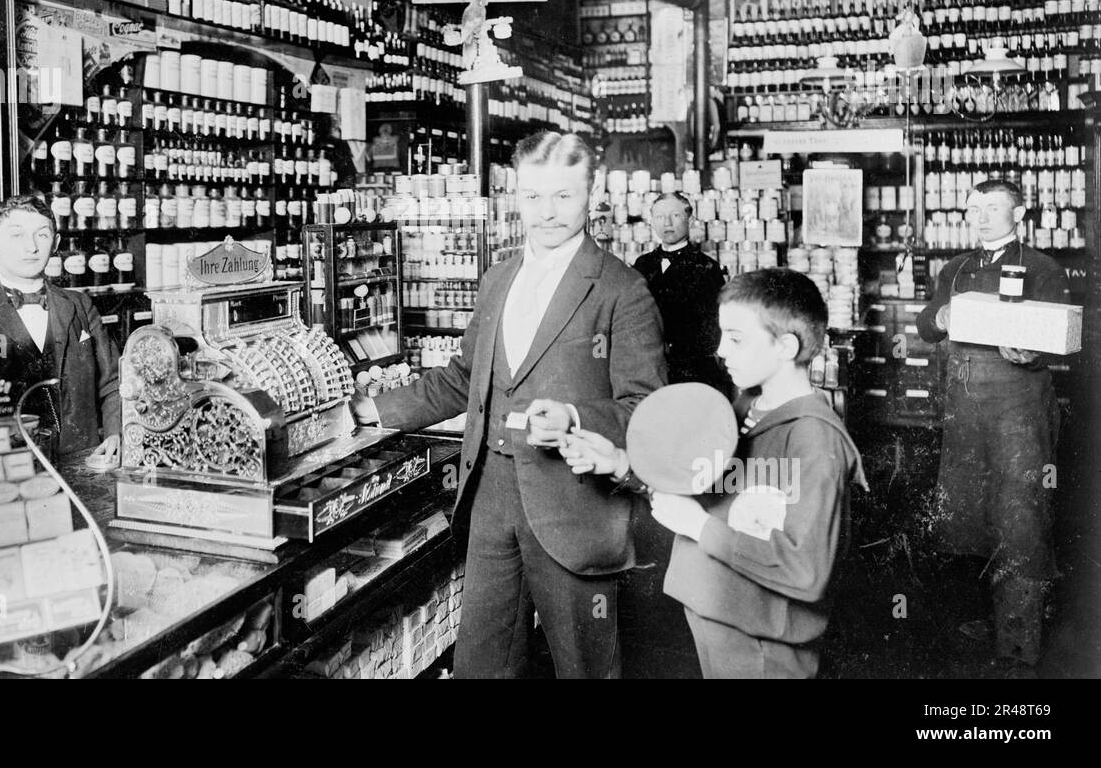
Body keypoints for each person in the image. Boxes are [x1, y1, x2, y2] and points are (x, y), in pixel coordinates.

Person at [352, 132, 667, 678]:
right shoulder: (498, 279)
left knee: (585, 666)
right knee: (483, 663)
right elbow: (464, 379)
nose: (547, 213)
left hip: (573, 503)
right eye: (533, 197)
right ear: (514, 197)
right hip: (492, 498)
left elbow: (646, 408)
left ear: (590, 195)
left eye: (563, 197)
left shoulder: (622, 289)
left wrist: (575, 417)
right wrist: (372, 411)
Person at [561, 268, 866, 678]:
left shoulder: (814, 437)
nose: (721, 350)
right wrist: (619, 463)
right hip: (717, 615)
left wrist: (702, 528)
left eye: (737, 339)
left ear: (786, 346)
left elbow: (807, 572)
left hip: (763, 645)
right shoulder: (743, 409)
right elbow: (703, 491)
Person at [916, 179, 1068, 674]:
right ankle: (999, 619)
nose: (980, 217)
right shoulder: (955, 268)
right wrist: (938, 315)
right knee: (973, 514)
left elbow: (1063, 331)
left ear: (1019, 212)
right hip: (965, 405)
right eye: (973, 208)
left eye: (993, 208)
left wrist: (1033, 350)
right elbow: (925, 326)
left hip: (1018, 405)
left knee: (1020, 513)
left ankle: (1019, 642)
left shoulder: (1044, 268)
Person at [0, 194, 121, 457]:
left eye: (42, 235)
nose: (31, 247)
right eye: (17, 235)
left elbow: (115, 383)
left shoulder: (80, 305)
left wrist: (115, 433)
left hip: (82, 465)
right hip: (3, 474)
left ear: (56, 243)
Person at [632, 192, 729, 393]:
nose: (667, 222)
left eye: (675, 215)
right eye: (659, 217)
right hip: (648, 370)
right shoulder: (642, 264)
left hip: (691, 376)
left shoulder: (706, 267)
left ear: (690, 219)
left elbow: (711, 334)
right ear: (652, 222)